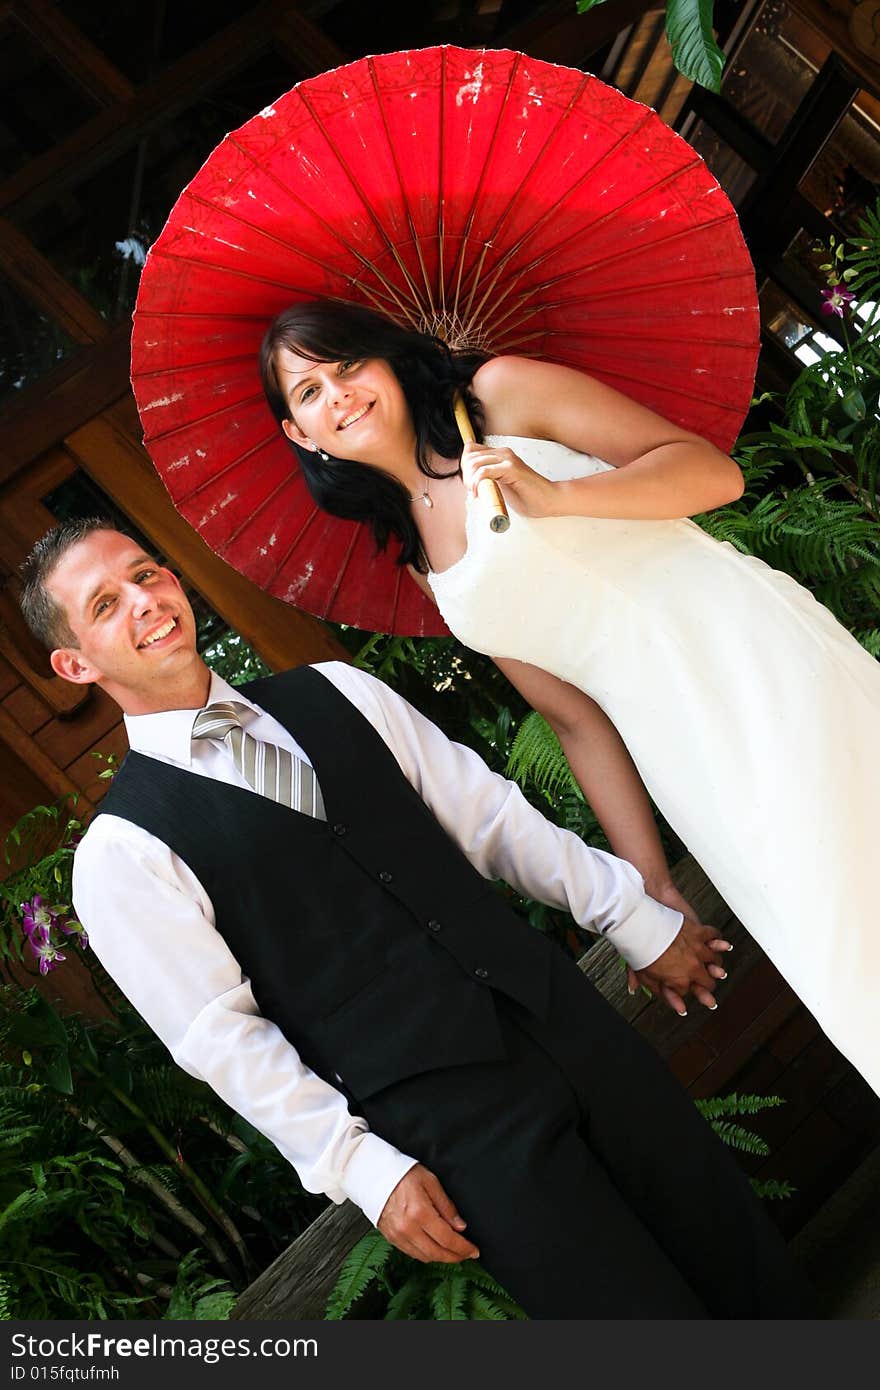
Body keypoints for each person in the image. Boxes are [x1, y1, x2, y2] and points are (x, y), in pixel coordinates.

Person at [19, 519, 810, 1319]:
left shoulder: (338, 690)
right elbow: (224, 1042)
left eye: (147, 572)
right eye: (107, 603)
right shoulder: (122, 856)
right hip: (450, 1126)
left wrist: (633, 919)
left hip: (562, 1017)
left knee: (737, 1247)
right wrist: (361, 1169)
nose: (146, 602)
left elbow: (492, 819)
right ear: (75, 663)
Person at [258, 299, 880, 1097]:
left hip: (748, 658)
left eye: (347, 366)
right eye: (308, 393)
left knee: (849, 877)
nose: (337, 395)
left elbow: (710, 474)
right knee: (831, 948)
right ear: (300, 435)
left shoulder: (500, 394)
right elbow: (572, 716)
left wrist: (557, 498)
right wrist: (649, 886)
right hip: (683, 752)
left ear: (384, 359)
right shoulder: (420, 551)